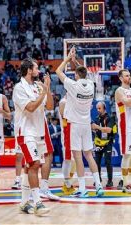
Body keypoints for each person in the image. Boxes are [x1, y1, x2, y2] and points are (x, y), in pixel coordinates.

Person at [55, 47, 104, 198]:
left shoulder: (73, 85)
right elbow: (84, 72)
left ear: (76, 75)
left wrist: (68, 59)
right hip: (86, 124)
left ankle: (82, 188)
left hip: (75, 125)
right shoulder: (91, 85)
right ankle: (99, 186)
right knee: (89, 155)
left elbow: (58, 71)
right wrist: (75, 61)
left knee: (77, 157)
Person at [13, 58, 51, 216]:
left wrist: (47, 89)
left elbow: (50, 106)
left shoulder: (38, 86)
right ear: (29, 70)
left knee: (30, 167)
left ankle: (23, 203)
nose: (39, 71)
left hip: (39, 132)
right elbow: (30, 107)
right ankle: (38, 203)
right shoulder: (19, 88)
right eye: (36, 68)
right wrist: (43, 92)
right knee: (35, 164)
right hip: (25, 131)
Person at [91, 102, 115, 188]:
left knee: (108, 162)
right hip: (98, 143)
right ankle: (98, 180)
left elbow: (108, 130)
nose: (98, 110)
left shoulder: (110, 118)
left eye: (99, 108)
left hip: (108, 142)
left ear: (104, 108)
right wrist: (93, 128)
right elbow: (94, 129)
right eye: (97, 108)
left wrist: (97, 127)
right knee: (96, 162)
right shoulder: (96, 118)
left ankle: (110, 181)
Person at [59, 95, 76, 195]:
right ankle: (67, 184)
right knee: (68, 159)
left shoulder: (73, 101)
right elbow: (64, 118)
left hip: (75, 133)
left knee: (74, 161)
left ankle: (68, 183)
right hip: (67, 133)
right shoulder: (63, 102)